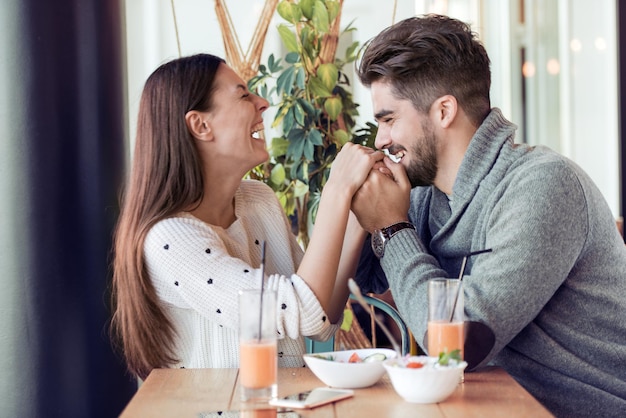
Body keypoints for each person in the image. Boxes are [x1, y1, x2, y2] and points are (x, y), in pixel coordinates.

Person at [350, 14, 626, 417]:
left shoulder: (544, 186)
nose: (381, 140)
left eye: (389, 120)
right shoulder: (426, 195)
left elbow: (457, 343)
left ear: (444, 111)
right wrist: (351, 190)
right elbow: (362, 279)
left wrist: (393, 228)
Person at [110, 53, 383, 379]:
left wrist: (356, 221)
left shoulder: (259, 200)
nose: (263, 102)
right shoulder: (169, 239)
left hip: (280, 408)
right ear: (201, 125)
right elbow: (304, 309)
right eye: (243, 95)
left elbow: (319, 318)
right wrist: (336, 190)